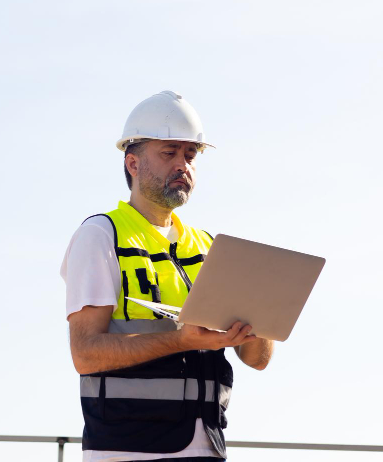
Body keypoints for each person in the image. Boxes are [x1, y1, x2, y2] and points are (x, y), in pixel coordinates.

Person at [60, 91, 274, 462]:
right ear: (132, 163)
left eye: (190, 155)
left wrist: (264, 309)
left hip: (207, 447)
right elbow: (86, 354)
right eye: (169, 152)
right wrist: (181, 340)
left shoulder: (209, 247)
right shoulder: (101, 235)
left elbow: (257, 359)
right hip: (126, 449)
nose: (182, 165)